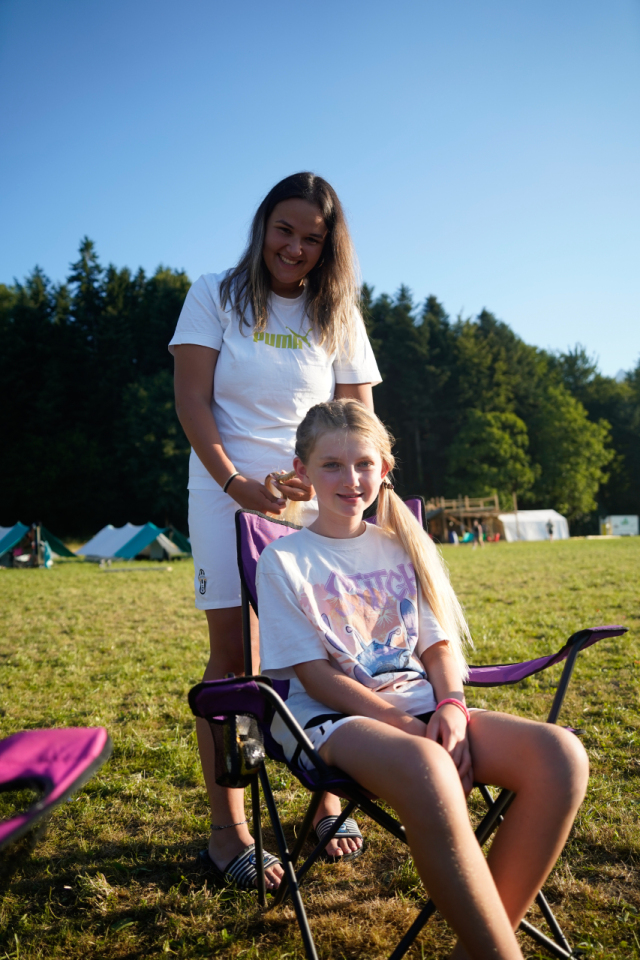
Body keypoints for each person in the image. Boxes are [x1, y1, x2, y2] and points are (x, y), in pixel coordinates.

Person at [256, 400, 588, 960]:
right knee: (429, 764)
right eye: (331, 464)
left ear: (384, 469)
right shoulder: (285, 560)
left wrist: (452, 706)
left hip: (423, 706)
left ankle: (479, 950)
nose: (350, 479)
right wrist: (409, 726)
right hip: (331, 718)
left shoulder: (403, 545)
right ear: (302, 470)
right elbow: (315, 676)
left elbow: (437, 647)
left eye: (364, 464)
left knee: (560, 756)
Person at [170, 173, 380, 890]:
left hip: (314, 501)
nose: (294, 248)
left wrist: (332, 486)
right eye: (283, 230)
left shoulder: (337, 313)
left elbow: (356, 419)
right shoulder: (214, 294)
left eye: (311, 238)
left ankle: (328, 801)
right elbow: (192, 400)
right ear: (262, 226)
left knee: (335, 651)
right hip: (225, 494)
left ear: (328, 247)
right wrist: (237, 483)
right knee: (237, 663)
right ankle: (228, 832)